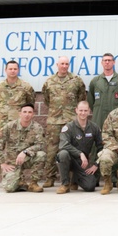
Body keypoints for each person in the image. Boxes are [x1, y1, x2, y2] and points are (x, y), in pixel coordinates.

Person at [0, 60, 35, 189]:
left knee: (18, 149)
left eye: (15, 69)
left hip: (17, 125)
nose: (12, 71)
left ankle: (19, 179)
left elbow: (29, 104)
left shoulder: (26, 87)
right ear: (6, 70)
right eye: (10, 69)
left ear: (18, 70)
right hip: (0, 123)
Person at [40, 56, 87, 187]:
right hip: (54, 120)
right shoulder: (49, 81)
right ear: (57, 64)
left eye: (67, 64)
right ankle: (50, 177)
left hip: (71, 120)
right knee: (51, 150)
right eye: (62, 64)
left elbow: (81, 98)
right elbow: (46, 100)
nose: (64, 66)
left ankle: (73, 179)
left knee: (73, 149)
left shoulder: (76, 81)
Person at [0, 103, 45, 193]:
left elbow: (40, 145)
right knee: (9, 188)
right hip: (12, 162)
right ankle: (20, 182)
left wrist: (25, 152)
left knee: (41, 155)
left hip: (27, 159)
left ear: (33, 114)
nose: (27, 114)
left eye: (30, 112)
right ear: (20, 113)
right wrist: (2, 163)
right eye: (24, 112)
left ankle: (33, 184)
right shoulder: (9, 126)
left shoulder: (37, 128)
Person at [55, 99, 103, 193]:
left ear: (89, 111)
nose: (83, 113)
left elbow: (101, 148)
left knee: (90, 186)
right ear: (76, 110)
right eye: (81, 110)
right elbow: (63, 145)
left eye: (85, 110)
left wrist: (96, 164)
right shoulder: (68, 127)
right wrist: (80, 153)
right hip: (69, 160)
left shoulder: (94, 128)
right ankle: (65, 184)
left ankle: (75, 179)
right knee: (63, 154)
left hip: (82, 164)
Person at [88, 52, 118, 130]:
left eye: (109, 60)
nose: (107, 62)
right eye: (105, 60)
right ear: (102, 63)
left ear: (113, 62)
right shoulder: (95, 81)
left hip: (117, 119)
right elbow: (91, 101)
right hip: (99, 118)